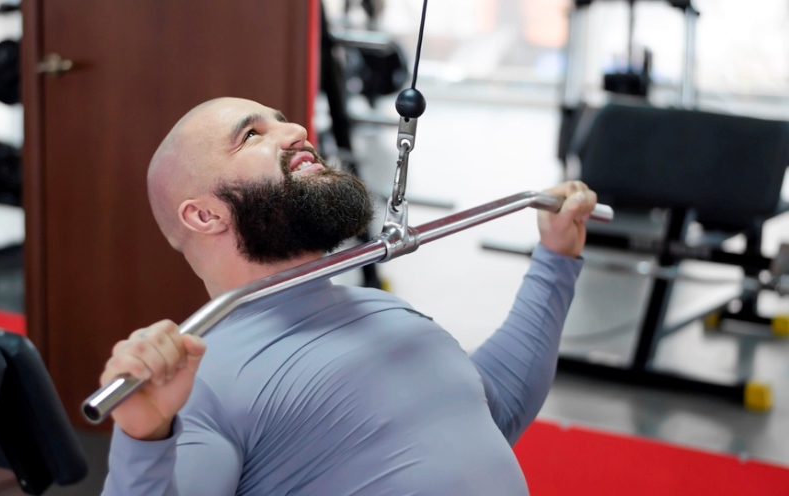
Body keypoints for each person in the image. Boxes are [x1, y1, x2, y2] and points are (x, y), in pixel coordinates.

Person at [100, 97, 598, 495]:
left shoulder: (387, 311)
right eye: (252, 135)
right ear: (204, 216)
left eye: (283, 120)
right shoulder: (203, 381)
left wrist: (556, 259)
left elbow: (496, 409)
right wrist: (144, 439)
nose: (296, 131)